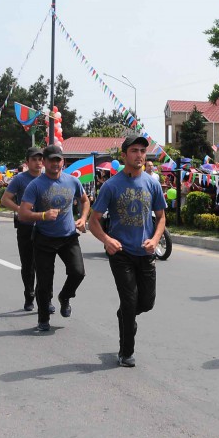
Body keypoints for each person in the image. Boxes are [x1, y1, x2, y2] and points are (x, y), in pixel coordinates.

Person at [88, 135, 166, 368]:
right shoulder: (112, 186)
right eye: (134, 151)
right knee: (130, 300)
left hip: (146, 253)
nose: (140, 155)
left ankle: (126, 314)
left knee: (147, 302)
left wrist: (154, 239)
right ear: (124, 155)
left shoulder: (152, 183)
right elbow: (94, 221)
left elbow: (161, 217)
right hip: (121, 253)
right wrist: (107, 239)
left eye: (143, 151)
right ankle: (126, 352)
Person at [19, 145, 89, 332]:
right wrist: (42, 215)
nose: (55, 163)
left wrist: (82, 219)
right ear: (45, 162)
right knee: (44, 281)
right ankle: (43, 320)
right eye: (51, 160)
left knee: (78, 272)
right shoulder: (35, 185)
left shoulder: (72, 181)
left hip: (68, 237)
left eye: (58, 160)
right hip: (44, 239)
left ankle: (65, 296)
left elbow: (85, 200)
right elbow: (23, 213)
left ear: (63, 162)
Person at [0, 147, 52, 313]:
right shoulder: (20, 179)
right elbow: (5, 199)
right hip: (26, 227)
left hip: (45, 227)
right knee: (28, 264)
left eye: (40, 159)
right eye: (34, 159)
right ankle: (29, 295)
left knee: (45, 265)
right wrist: (20, 210)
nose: (38, 162)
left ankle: (46, 299)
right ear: (27, 162)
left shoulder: (48, 178)